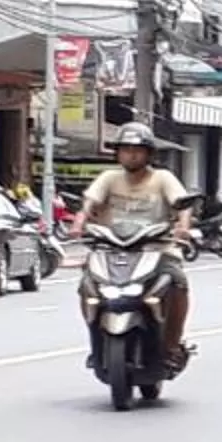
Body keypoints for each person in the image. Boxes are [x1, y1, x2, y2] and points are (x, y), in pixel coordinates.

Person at [79, 124, 196, 369]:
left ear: (149, 154)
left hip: (158, 248)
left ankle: (172, 345)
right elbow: (90, 202)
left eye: (137, 150)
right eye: (126, 149)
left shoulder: (162, 178)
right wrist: (79, 221)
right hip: (112, 248)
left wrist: (183, 228)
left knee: (178, 284)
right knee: (87, 286)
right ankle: (96, 343)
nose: (131, 154)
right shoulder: (109, 178)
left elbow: (182, 205)